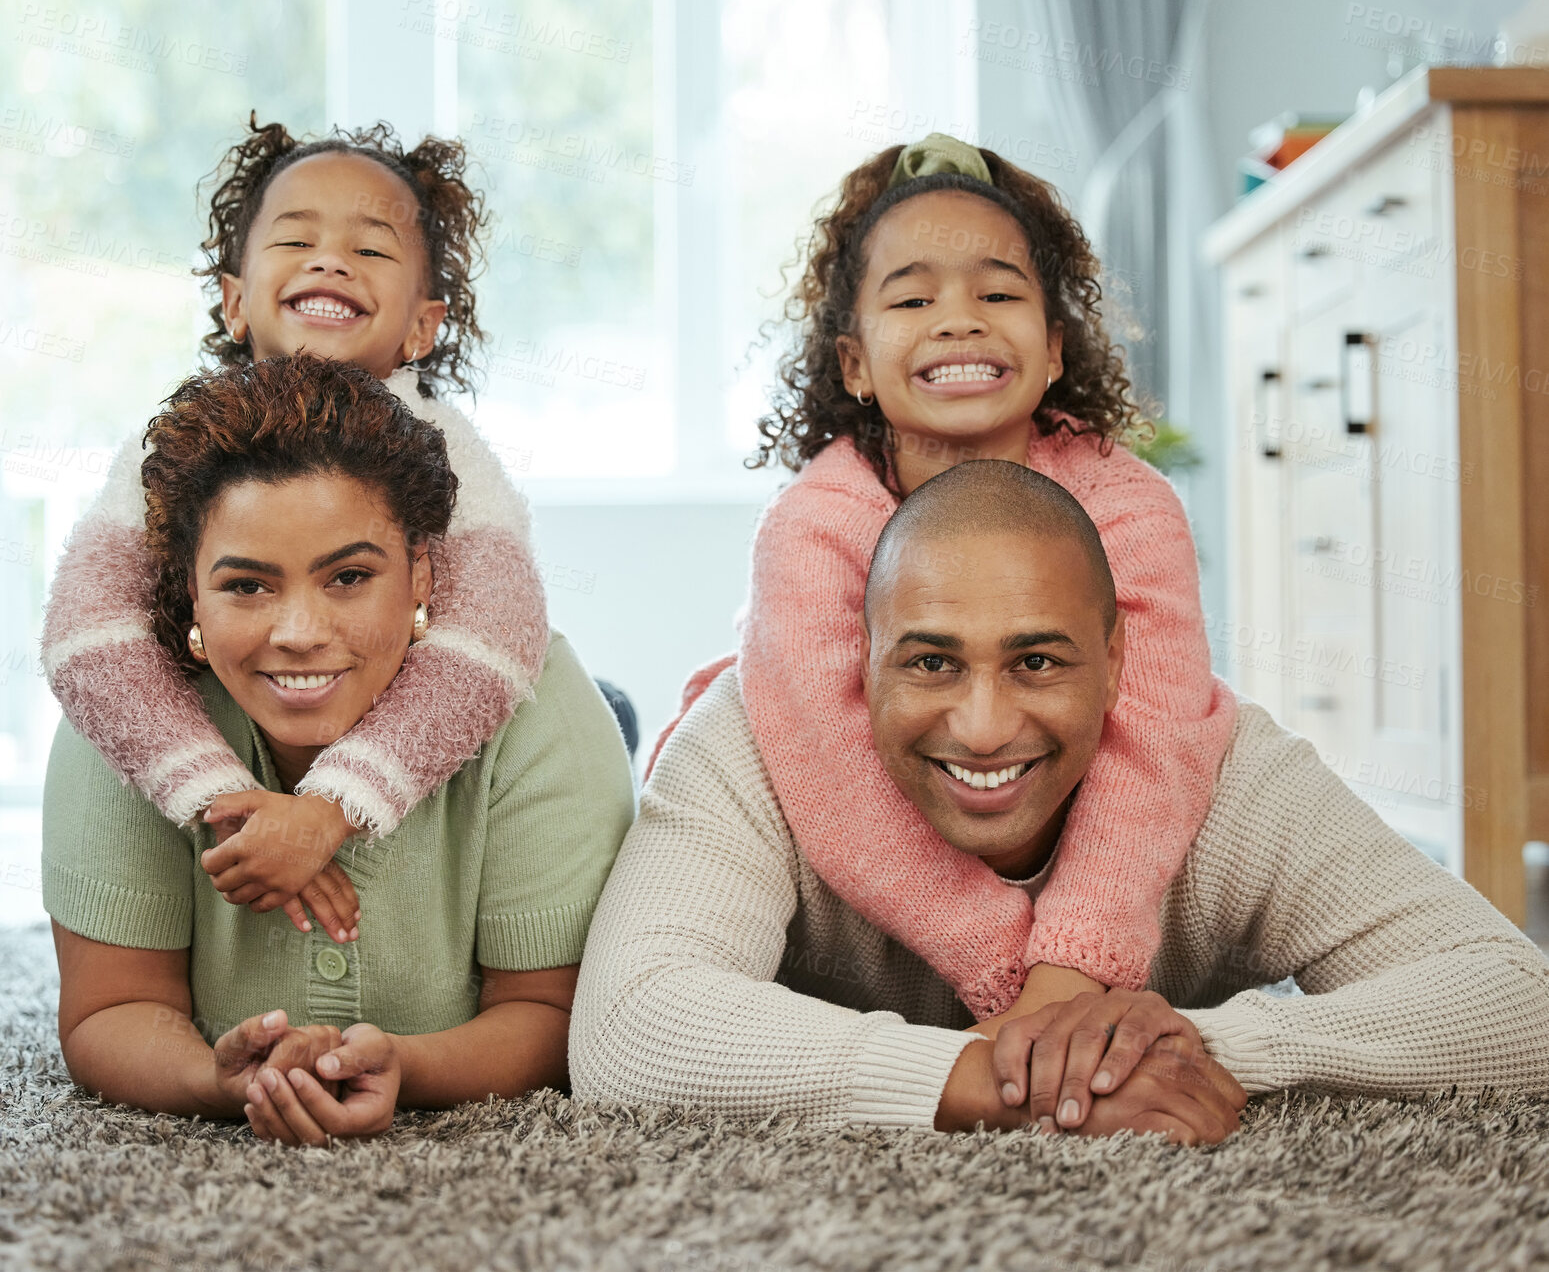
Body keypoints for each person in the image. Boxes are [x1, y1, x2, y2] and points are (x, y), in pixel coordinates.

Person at [572, 459, 1549, 1140]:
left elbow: (1515, 1004)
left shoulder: (1223, 769)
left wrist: (1191, 1045)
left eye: (1036, 660)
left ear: (1119, 659)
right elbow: (628, 1029)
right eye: (929, 662)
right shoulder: (756, 737)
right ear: (858, 664)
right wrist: (989, 1079)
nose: (985, 725)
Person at [648, 134, 1234, 1024]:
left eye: (997, 293)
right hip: (827, 847)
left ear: (1052, 349)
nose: (958, 320)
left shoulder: (1129, 506)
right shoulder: (815, 525)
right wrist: (1011, 978)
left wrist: (1075, 962)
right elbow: (834, 773)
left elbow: (1151, 738)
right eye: (913, 297)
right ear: (854, 365)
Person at [42, 356, 635, 1147]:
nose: (298, 632)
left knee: (612, 738)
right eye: (247, 586)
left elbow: (552, 1013)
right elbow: (108, 1010)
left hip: (569, 739)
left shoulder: (538, 708)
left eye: (349, 576)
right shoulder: (124, 717)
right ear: (190, 591)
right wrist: (218, 1081)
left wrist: (405, 1066)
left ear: (421, 574)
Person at [41, 117, 547, 945]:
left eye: (372, 250)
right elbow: (84, 632)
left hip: (404, 728)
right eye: (295, 239)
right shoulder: (178, 451)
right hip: (258, 718)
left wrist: (331, 807)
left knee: (563, 700)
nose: (331, 260)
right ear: (236, 302)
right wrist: (220, 800)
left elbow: (499, 633)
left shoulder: (458, 457)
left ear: (422, 326)